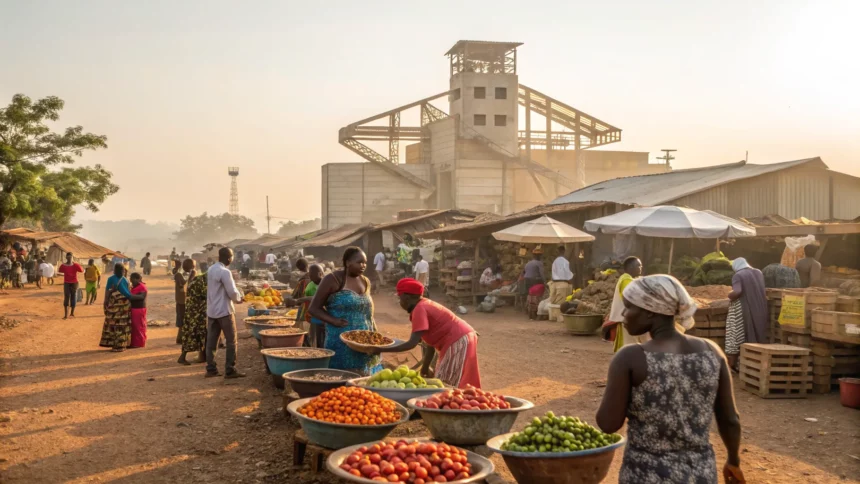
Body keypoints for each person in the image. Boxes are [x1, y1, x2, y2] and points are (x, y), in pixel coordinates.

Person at [596, 275, 744, 484]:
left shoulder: (630, 357)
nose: (623, 315)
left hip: (645, 474)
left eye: (628, 307)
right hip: (699, 474)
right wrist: (733, 460)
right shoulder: (712, 352)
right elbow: (730, 419)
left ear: (649, 311)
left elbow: (608, 424)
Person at [373, 278, 482, 388]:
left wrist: (380, 349)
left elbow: (412, 343)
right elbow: (429, 345)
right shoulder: (424, 304)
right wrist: (425, 368)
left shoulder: (419, 309)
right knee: (452, 379)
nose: (400, 302)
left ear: (406, 297)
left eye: (400, 298)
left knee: (444, 383)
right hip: (463, 336)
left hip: (458, 339)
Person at [308, 247, 382, 375]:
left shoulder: (365, 281)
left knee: (365, 381)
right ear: (347, 262)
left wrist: (375, 337)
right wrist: (333, 320)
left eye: (365, 262)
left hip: (365, 341)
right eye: (359, 262)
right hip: (341, 341)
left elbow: (368, 313)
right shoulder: (332, 280)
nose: (363, 265)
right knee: (342, 381)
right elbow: (314, 308)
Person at [205, 247, 245, 378]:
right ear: (229, 258)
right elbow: (232, 292)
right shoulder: (225, 272)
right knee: (231, 341)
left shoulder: (211, 269)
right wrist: (239, 299)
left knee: (212, 341)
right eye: (232, 256)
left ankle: (211, 369)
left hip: (212, 310)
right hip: (224, 311)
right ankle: (230, 369)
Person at [726, 258, 768, 371]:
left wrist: (729, 295)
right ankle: (755, 366)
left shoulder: (738, 275)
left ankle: (732, 366)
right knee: (757, 334)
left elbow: (737, 291)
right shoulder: (758, 272)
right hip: (760, 308)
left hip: (743, 309)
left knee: (735, 336)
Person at [605, 256, 643, 351]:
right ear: (630, 267)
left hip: (628, 320)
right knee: (628, 349)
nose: (641, 267)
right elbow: (631, 299)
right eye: (638, 265)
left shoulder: (629, 279)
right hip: (627, 321)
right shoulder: (626, 280)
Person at [99, 264, 133, 352]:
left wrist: (105, 302)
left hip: (114, 305)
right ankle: (122, 345)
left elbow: (107, 292)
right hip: (125, 305)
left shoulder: (112, 279)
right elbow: (129, 292)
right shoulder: (125, 280)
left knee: (113, 324)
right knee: (122, 325)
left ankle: (116, 345)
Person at [178, 269, 208, 365]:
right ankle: (182, 357)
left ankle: (202, 356)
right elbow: (206, 295)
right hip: (196, 312)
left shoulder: (197, 279)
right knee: (193, 334)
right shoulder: (201, 282)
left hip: (193, 311)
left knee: (198, 333)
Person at [302, 264, 326, 348]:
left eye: (312, 275)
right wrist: (307, 314)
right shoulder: (309, 287)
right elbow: (307, 304)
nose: (311, 277)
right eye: (310, 275)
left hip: (328, 318)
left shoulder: (328, 284)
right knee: (317, 340)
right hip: (315, 318)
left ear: (320, 274)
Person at [175, 258, 197, 344]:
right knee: (183, 320)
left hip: (185, 301)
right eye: (194, 266)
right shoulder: (179, 275)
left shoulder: (184, 274)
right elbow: (186, 286)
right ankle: (181, 338)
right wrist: (192, 276)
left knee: (185, 320)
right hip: (182, 302)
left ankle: (181, 338)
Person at [58, 252, 84, 320]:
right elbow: (82, 270)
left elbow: (81, 270)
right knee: (70, 297)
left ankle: (70, 314)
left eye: (70, 257)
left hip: (72, 283)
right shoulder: (74, 265)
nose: (69, 258)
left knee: (71, 297)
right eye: (69, 257)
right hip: (69, 283)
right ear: (66, 257)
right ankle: (68, 314)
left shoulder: (66, 265)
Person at [128, 273, 148, 348]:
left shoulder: (142, 287)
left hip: (139, 309)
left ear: (137, 279)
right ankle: (134, 343)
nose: (131, 281)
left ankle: (139, 343)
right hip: (134, 309)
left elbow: (142, 297)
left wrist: (129, 296)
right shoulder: (134, 287)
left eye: (132, 279)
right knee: (134, 327)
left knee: (138, 326)